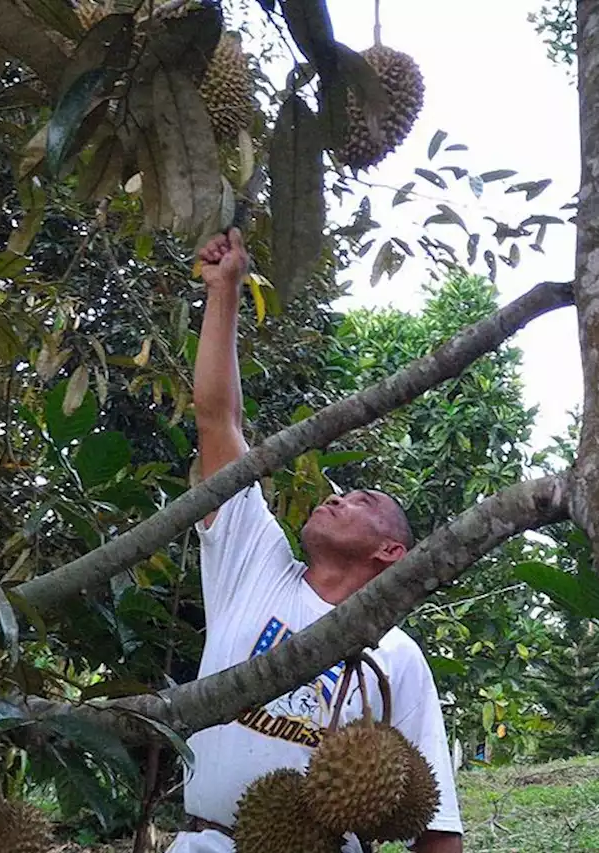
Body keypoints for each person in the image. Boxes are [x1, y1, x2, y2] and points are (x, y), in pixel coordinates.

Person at [164, 228, 464, 853]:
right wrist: (223, 294)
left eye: (364, 502)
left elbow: (436, 828)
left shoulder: (399, 657)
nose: (336, 496)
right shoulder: (254, 564)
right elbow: (218, 420)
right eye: (343, 492)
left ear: (392, 553)